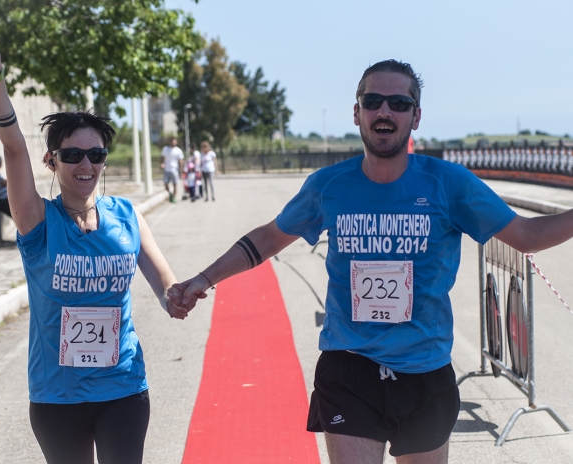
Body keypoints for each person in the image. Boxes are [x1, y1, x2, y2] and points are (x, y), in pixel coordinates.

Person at [171, 59, 573, 464]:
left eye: (399, 103)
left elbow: (527, 235)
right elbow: (270, 236)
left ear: (415, 117)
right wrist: (205, 277)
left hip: (424, 371)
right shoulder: (329, 185)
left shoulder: (449, 184)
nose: (385, 111)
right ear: (357, 112)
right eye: (373, 100)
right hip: (349, 369)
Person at [0, 6, 192, 464]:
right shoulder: (36, 221)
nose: (86, 165)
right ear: (53, 162)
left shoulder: (128, 216)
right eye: (72, 154)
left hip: (124, 388)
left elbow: (166, 288)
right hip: (56, 397)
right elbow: (12, 146)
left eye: (96, 154)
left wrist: (181, 296)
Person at [160, 137, 183, 203]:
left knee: (175, 184)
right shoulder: (165, 149)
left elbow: (181, 161)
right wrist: (162, 163)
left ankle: (174, 197)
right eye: (172, 141)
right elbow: (162, 157)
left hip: (175, 169)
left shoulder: (178, 150)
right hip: (167, 169)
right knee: (166, 184)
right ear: (170, 142)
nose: (173, 142)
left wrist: (181, 170)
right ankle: (170, 194)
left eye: (174, 141)